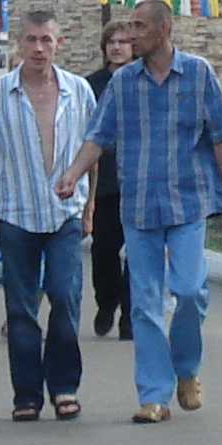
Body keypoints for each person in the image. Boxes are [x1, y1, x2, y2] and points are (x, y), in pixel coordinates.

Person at [55, 0, 222, 424]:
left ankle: (187, 370)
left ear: (164, 29)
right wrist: (72, 173)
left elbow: (220, 138)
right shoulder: (123, 84)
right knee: (143, 303)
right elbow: (98, 136)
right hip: (138, 206)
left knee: (191, 292)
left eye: (139, 27)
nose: (131, 34)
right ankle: (153, 395)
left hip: (188, 203)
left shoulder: (198, 75)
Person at [0, 10, 98, 422]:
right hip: (15, 213)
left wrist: (91, 204)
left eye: (46, 40)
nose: (38, 48)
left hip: (65, 214)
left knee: (64, 296)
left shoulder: (78, 91)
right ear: (18, 45)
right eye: (30, 40)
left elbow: (92, 149)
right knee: (21, 308)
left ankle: (64, 386)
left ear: (58, 43)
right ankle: (26, 394)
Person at [83, 19, 136, 338]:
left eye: (123, 42)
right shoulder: (92, 85)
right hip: (104, 181)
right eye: (111, 42)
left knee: (138, 251)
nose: (117, 47)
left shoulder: (145, 80)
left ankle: (130, 313)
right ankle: (106, 303)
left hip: (139, 180)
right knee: (104, 248)